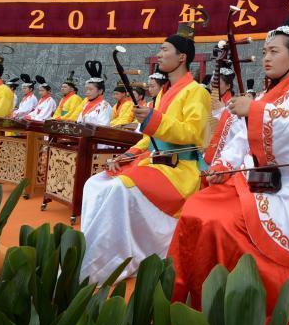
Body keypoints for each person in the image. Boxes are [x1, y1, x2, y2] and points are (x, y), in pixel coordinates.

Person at [169, 10, 289, 325]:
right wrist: (222, 165)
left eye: (274, 51)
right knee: (196, 208)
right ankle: (197, 295)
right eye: (264, 52)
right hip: (250, 180)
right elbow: (241, 141)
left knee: (218, 221)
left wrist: (257, 110)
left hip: (283, 190)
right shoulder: (264, 95)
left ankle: (235, 301)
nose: (266, 58)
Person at [80, 24, 209, 283]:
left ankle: (112, 262)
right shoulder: (163, 92)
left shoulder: (197, 92)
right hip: (154, 160)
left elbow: (192, 135)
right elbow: (149, 139)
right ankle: (93, 252)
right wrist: (126, 155)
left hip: (179, 168)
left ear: (181, 57)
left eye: (164, 50)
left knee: (118, 189)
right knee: (95, 182)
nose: (159, 55)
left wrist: (154, 118)